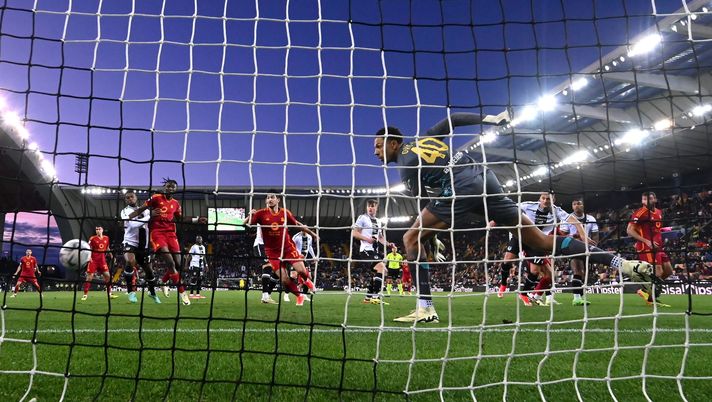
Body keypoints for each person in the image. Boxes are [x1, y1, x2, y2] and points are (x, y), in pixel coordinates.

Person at [374, 112, 655, 323]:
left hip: (461, 189)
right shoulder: (425, 138)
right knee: (544, 242)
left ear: (394, 143)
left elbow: (428, 201)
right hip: (486, 179)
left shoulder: (405, 166)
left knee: (410, 237)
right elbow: (454, 119)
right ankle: (624, 263)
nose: (375, 153)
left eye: (378, 146)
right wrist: (492, 119)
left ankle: (425, 307)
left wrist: (428, 235)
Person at [129, 178, 206, 306]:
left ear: (175, 189)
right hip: (157, 233)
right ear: (164, 186)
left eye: (173, 187)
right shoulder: (156, 198)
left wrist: (197, 219)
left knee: (179, 264)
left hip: (171, 234)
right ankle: (183, 293)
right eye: (168, 186)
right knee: (170, 262)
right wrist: (129, 217)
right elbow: (140, 210)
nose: (170, 188)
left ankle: (164, 281)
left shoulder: (176, 203)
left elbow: (180, 218)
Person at [503, 193, 589, 307]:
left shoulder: (556, 213)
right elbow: (511, 208)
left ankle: (539, 297)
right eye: (543, 198)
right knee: (539, 272)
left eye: (548, 199)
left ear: (553, 200)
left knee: (549, 275)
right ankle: (533, 295)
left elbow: (570, 223)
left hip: (541, 245)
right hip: (528, 242)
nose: (545, 201)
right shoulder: (529, 206)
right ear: (539, 199)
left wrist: (581, 235)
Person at [247, 191, 319, 306]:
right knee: (284, 279)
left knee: (300, 270)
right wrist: (249, 215)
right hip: (271, 251)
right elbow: (247, 225)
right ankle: (298, 296)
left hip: (287, 248)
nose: (270, 199)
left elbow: (297, 224)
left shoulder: (285, 213)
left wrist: (313, 234)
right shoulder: (260, 214)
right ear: (266, 201)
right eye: (267, 198)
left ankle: (306, 281)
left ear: (278, 200)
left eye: (272, 197)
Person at [627, 191, 673, 307]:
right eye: (644, 199)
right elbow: (629, 230)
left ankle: (646, 291)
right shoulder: (640, 213)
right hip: (646, 247)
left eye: (649, 199)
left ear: (655, 200)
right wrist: (646, 241)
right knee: (658, 272)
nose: (646, 201)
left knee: (668, 271)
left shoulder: (659, 212)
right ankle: (652, 299)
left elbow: (654, 229)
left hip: (659, 247)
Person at [120, 190, 160, 304]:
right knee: (131, 261)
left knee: (150, 272)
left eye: (131, 197)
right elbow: (132, 225)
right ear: (125, 200)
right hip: (129, 242)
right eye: (127, 198)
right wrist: (148, 218)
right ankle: (130, 292)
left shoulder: (146, 210)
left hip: (144, 245)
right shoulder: (124, 211)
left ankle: (152, 293)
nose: (130, 199)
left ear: (136, 197)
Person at [352, 199, 394, 304]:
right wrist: (367, 239)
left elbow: (380, 237)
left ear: (376, 207)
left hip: (374, 251)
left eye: (373, 206)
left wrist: (388, 244)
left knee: (377, 272)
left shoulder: (379, 221)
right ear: (367, 207)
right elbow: (354, 233)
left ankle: (368, 297)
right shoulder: (362, 218)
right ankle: (376, 297)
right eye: (369, 206)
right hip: (365, 250)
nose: (371, 208)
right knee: (382, 268)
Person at [564, 198, 599, 306]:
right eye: (574, 204)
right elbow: (563, 235)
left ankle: (581, 296)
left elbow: (595, 235)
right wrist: (574, 237)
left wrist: (594, 247)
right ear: (572, 206)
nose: (576, 206)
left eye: (578, 203)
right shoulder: (568, 218)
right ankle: (576, 298)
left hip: (587, 249)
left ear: (583, 205)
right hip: (573, 247)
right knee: (577, 270)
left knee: (584, 273)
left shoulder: (590, 218)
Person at [82, 226, 117, 301]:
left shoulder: (106, 238)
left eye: (99, 229)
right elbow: (88, 248)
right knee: (89, 278)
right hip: (93, 260)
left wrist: (111, 255)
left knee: (108, 277)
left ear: (102, 230)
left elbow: (107, 248)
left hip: (102, 260)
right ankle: (85, 295)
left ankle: (109, 294)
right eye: (96, 229)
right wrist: (89, 257)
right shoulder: (92, 238)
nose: (97, 230)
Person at [255, 225, 280, 304]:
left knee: (278, 272)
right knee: (267, 266)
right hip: (261, 245)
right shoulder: (263, 217)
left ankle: (267, 295)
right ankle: (265, 297)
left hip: (269, 247)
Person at [292, 229, 317, 302]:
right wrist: (296, 254)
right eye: (302, 229)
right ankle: (287, 293)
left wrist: (314, 256)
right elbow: (292, 246)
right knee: (294, 276)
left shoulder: (309, 237)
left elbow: (310, 247)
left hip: (304, 259)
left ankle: (303, 293)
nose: (304, 231)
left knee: (308, 276)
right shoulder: (296, 237)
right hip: (297, 259)